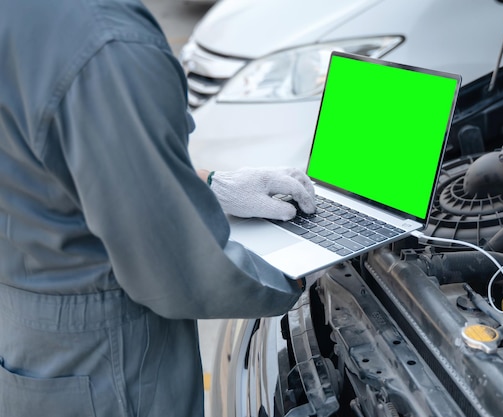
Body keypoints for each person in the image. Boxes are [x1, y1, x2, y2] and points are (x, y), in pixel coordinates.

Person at [0, 0, 317, 416]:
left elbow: (46, 158)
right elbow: (177, 269)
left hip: (30, 337)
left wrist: (206, 182)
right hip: (107, 362)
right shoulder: (107, 42)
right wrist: (300, 271)